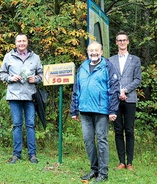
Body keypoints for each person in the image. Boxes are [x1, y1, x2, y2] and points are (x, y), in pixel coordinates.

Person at [70, 41, 120, 183]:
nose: (94, 53)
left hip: (101, 111)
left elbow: (114, 89)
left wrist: (112, 110)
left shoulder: (108, 66)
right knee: (88, 140)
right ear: (87, 52)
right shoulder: (83, 67)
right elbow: (76, 88)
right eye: (91, 50)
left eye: (96, 50)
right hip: (85, 110)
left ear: (101, 52)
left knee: (102, 140)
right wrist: (74, 109)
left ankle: (103, 173)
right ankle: (94, 169)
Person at [0, 33, 43, 164]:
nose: (21, 43)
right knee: (17, 125)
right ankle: (16, 154)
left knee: (30, 125)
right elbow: (1, 73)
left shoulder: (35, 57)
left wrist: (36, 79)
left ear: (27, 42)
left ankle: (32, 154)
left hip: (30, 96)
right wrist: (10, 78)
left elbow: (41, 74)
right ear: (15, 43)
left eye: (24, 41)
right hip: (14, 96)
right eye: (19, 41)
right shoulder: (8, 56)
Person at [109, 31, 142, 171]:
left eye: (124, 40)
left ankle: (130, 162)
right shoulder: (110, 60)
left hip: (130, 99)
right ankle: (121, 161)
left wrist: (125, 90)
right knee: (118, 130)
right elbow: (109, 80)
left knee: (129, 130)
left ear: (128, 42)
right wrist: (118, 92)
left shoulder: (135, 60)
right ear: (116, 42)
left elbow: (138, 80)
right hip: (115, 100)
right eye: (119, 40)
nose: (122, 42)